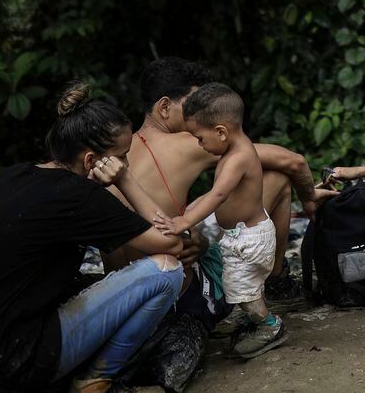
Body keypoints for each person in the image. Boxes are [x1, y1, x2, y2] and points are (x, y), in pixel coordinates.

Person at [0, 82, 183, 393]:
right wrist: (126, 180)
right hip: (16, 360)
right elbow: (172, 244)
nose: (126, 162)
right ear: (91, 160)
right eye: (123, 155)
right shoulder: (79, 197)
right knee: (166, 271)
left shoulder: (14, 176)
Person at [108, 57, 330, 311]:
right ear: (165, 107)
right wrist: (309, 197)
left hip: (119, 290)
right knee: (278, 178)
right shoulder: (188, 142)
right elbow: (294, 162)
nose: (201, 112)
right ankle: (276, 284)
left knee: (217, 194)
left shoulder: (117, 151)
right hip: (172, 287)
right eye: (193, 104)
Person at [153, 83, 286, 358]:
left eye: (199, 138)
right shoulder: (235, 150)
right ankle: (254, 318)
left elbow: (217, 195)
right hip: (244, 235)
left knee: (242, 291)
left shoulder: (237, 158)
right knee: (243, 284)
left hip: (249, 240)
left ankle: (270, 326)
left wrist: (183, 221)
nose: (199, 145)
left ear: (221, 132)